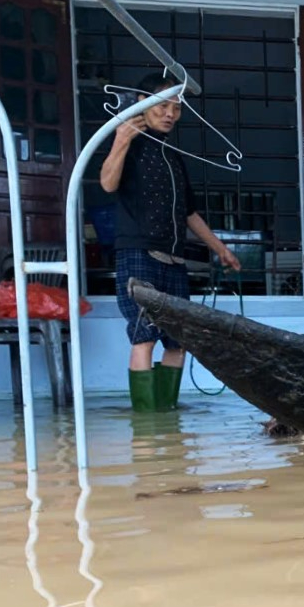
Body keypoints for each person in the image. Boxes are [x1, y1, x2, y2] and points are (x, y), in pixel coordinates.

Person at [100, 73, 241, 412]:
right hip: (139, 254)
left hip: (174, 260)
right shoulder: (130, 146)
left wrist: (220, 249)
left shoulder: (174, 156)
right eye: (162, 105)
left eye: (175, 108)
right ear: (142, 105)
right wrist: (121, 138)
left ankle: (167, 419)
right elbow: (107, 184)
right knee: (144, 335)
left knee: (178, 342)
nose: (169, 114)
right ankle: (147, 428)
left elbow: (189, 212)